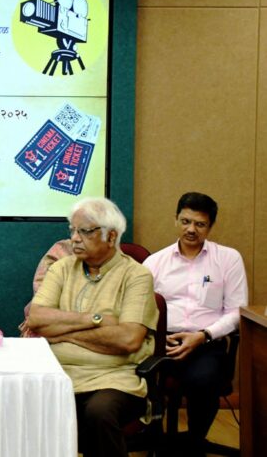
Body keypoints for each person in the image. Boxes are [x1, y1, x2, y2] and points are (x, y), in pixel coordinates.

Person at [26, 197, 158, 457]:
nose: (74, 238)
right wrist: (95, 320)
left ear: (111, 236)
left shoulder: (136, 275)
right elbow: (37, 319)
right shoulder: (62, 268)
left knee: (99, 412)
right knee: (23, 405)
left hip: (114, 379)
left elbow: (128, 339)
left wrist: (62, 331)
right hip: (58, 374)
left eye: (84, 231)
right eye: (72, 230)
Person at [142, 192, 247, 455]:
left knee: (203, 380)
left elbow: (236, 312)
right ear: (176, 219)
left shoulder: (228, 259)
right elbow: (139, 309)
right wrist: (158, 334)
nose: (191, 229)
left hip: (206, 341)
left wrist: (203, 335)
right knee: (138, 376)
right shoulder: (155, 262)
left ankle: (194, 442)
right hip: (162, 341)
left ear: (210, 226)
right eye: (185, 221)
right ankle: (154, 440)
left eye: (200, 224)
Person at [18, 239, 73, 337]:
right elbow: (41, 311)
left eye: (87, 232)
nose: (77, 237)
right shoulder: (62, 251)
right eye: (73, 231)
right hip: (51, 327)